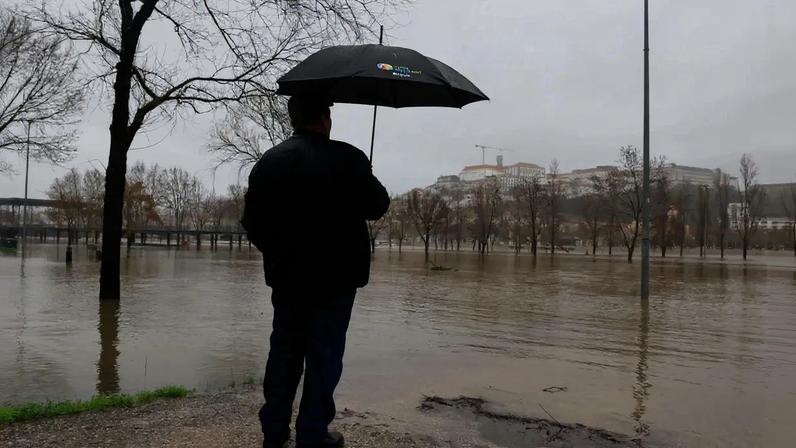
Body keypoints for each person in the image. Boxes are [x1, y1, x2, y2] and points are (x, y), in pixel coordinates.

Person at [242, 95, 390, 448]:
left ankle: (274, 431)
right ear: (325, 118)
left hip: (288, 278)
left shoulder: (270, 162)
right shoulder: (348, 158)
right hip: (336, 281)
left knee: (284, 354)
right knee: (324, 357)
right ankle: (312, 434)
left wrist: (279, 253)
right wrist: (361, 170)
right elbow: (378, 205)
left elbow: (252, 222)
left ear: (294, 119)